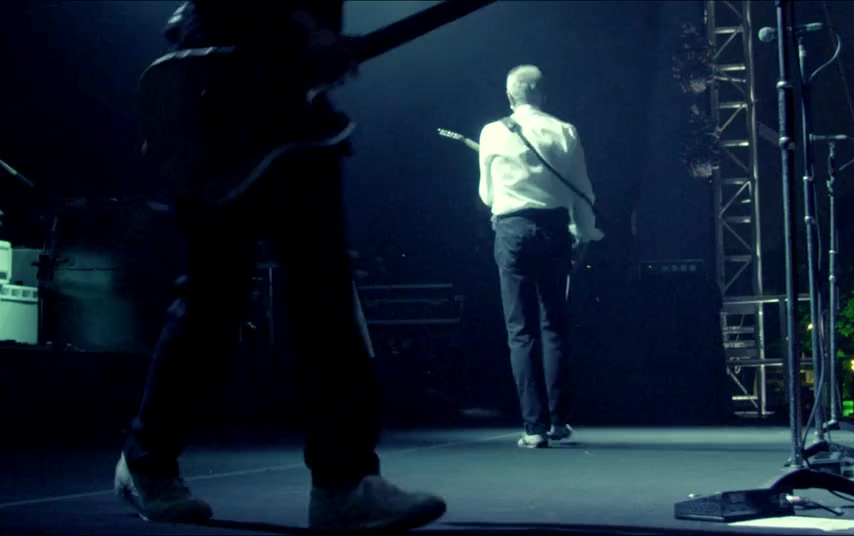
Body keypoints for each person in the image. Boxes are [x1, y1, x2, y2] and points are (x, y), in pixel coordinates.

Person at [114, 1, 447, 530]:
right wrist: (301, 30)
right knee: (214, 302)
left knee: (321, 293)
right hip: (223, 108)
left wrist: (315, 43)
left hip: (290, 115)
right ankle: (147, 463)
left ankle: (343, 483)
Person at [478, 65, 603, 449]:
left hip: (513, 231)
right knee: (554, 326)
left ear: (509, 96)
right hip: (554, 232)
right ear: (544, 94)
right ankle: (559, 422)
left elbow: (486, 194)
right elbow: (581, 190)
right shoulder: (564, 131)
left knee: (521, 331)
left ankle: (533, 428)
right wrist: (585, 233)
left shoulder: (492, 132)